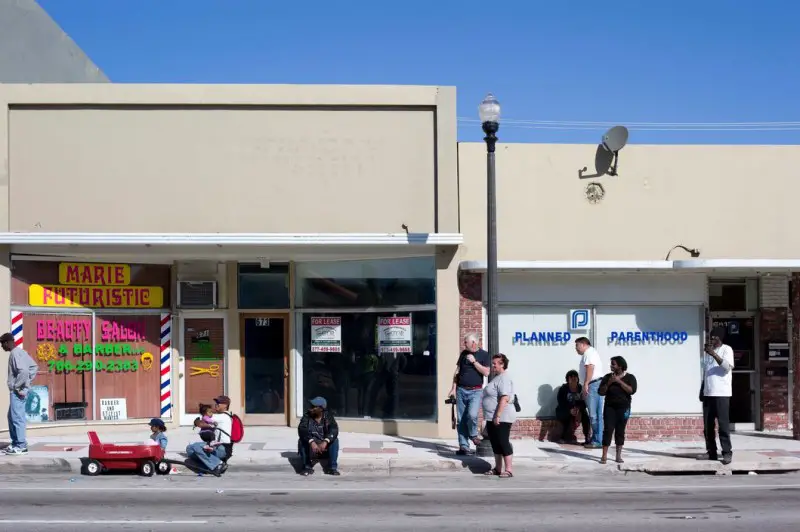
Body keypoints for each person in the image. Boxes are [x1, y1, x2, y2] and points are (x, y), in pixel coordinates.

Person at [447, 333, 490, 455]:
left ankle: (473, 435)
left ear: (474, 343)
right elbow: (457, 371)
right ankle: (464, 446)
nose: (464, 344)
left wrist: (474, 362)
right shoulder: (463, 354)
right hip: (461, 390)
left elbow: (486, 372)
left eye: (466, 342)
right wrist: (453, 388)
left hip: (476, 391)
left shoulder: (484, 355)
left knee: (472, 415)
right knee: (461, 419)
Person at [698, 327, 735, 465]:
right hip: (708, 393)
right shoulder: (707, 354)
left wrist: (713, 354)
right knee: (708, 426)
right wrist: (702, 390)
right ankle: (711, 452)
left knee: (723, 425)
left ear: (720, 338)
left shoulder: (727, 349)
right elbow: (706, 373)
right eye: (710, 337)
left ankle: (727, 452)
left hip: (722, 394)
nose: (711, 339)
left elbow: (726, 367)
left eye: (714, 337)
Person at [2, 332, 38, 455]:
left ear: (7, 343)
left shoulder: (14, 354)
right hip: (20, 391)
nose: (2, 347)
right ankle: (16, 443)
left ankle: (21, 446)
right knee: (12, 417)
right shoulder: (21, 352)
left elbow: (23, 371)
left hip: (17, 392)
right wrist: (27, 384)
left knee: (17, 418)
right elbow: (33, 367)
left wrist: (17, 386)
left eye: (2, 344)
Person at [481, 354, 516, 478]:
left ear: (502, 364)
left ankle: (509, 470)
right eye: (493, 363)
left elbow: (504, 398)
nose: (493, 365)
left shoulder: (504, 378)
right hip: (492, 416)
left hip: (502, 416)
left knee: (503, 441)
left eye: (495, 363)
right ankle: (498, 468)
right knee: (495, 443)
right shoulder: (497, 378)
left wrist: (498, 415)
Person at [598, 356, 637, 464]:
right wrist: (609, 383)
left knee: (620, 430)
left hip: (623, 408)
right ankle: (604, 455)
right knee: (608, 430)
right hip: (609, 407)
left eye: (613, 364)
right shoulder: (607, 377)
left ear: (620, 366)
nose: (611, 366)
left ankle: (618, 456)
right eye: (611, 364)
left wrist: (619, 381)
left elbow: (631, 390)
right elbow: (601, 392)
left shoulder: (630, 377)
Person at [185, 395, 233, 476]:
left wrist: (197, 422)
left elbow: (201, 421)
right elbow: (202, 421)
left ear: (225, 405)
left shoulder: (222, 416)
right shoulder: (222, 416)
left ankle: (219, 464)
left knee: (195, 447)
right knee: (189, 451)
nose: (216, 404)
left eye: (218, 403)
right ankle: (210, 468)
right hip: (217, 446)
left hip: (222, 448)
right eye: (216, 403)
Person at [297, 396, 340, 476]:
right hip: (312, 446)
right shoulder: (306, 416)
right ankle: (307, 466)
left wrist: (326, 441)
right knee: (301, 441)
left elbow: (334, 429)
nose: (310, 408)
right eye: (311, 406)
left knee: (335, 440)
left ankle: (332, 467)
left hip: (324, 446)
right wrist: (311, 442)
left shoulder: (328, 416)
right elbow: (302, 430)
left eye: (313, 406)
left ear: (321, 408)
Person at [575, 337, 604, 449]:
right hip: (594, 384)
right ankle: (596, 438)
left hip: (593, 385)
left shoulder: (589, 353)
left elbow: (590, 368)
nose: (576, 348)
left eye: (577, 345)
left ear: (583, 344)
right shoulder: (590, 352)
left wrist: (586, 383)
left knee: (594, 414)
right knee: (595, 414)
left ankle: (597, 440)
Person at [555, 370, 590, 444]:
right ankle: (563, 437)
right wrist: (570, 409)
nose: (573, 378)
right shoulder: (563, 389)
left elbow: (584, 402)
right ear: (567, 379)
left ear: (578, 378)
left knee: (585, 416)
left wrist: (578, 409)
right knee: (567, 415)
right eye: (571, 376)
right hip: (565, 409)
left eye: (575, 376)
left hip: (578, 409)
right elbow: (561, 402)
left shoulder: (580, 388)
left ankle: (587, 437)